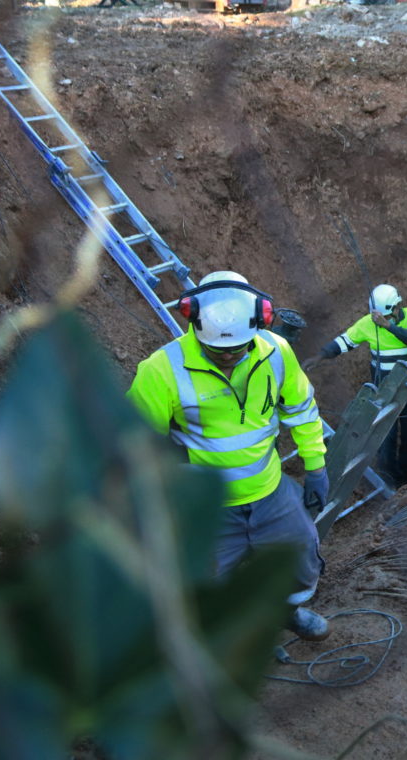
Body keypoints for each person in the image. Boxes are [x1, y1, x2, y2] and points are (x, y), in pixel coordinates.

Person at [127, 271, 331, 641]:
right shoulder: (161, 370)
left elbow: (301, 409)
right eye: (217, 351)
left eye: (237, 348)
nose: (228, 356)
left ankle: (286, 612)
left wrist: (315, 466)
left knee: (301, 559)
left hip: (269, 492)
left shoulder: (276, 353)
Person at [303, 283, 407, 487]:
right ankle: (388, 477)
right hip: (385, 387)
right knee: (385, 434)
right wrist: (320, 355)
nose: (381, 320)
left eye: (389, 315)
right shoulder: (368, 323)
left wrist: (389, 326)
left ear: (397, 308)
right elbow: (345, 341)